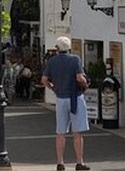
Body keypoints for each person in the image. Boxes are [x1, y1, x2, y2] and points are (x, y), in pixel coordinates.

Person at [41, 36, 90, 171]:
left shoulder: (52, 61)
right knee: (77, 132)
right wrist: (86, 84)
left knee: (60, 132)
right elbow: (79, 77)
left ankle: (60, 162)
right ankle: (79, 162)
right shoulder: (75, 59)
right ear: (68, 48)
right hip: (75, 97)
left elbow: (44, 79)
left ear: (57, 48)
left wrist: (53, 88)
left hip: (61, 98)